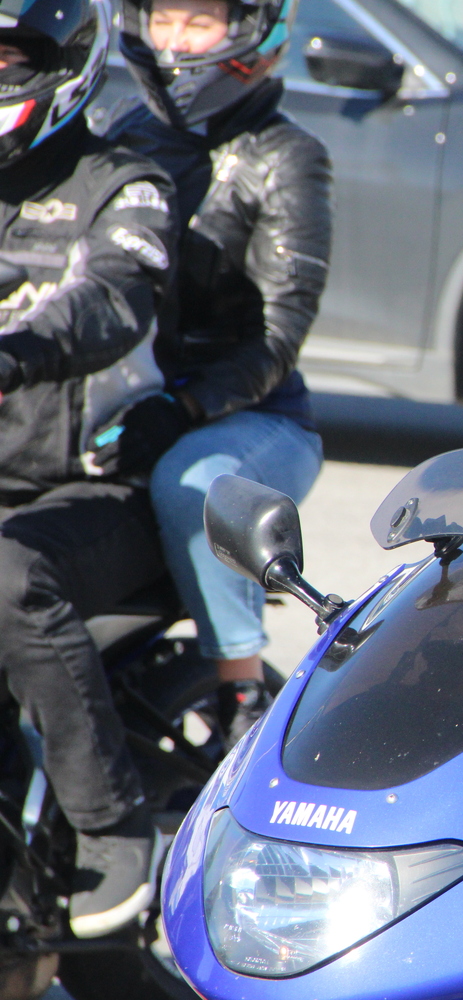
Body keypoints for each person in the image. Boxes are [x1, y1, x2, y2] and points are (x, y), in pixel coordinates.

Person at [0, 0, 180, 938]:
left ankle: (113, 824)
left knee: (5, 574)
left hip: (96, 490)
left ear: (63, 60)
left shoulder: (125, 185)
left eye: (5, 56)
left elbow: (112, 299)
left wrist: (15, 352)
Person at [107, 0, 331, 746]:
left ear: (251, 33)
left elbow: (279, 335)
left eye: (197, 22)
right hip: (121, 402)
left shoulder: (287, 156)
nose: (174, 42)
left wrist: (182, 408)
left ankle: (243, 698)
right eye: (163, 19)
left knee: (193, 483)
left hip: (253, 420)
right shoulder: (120, 131)